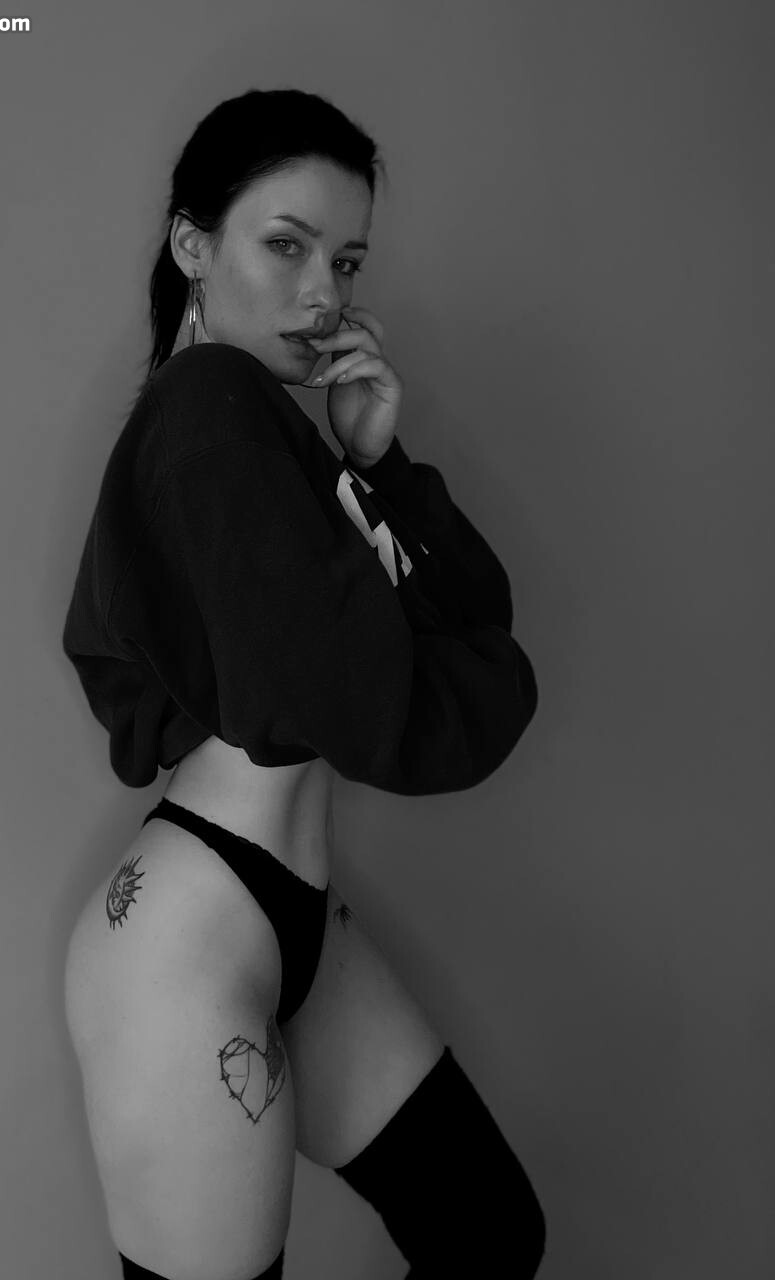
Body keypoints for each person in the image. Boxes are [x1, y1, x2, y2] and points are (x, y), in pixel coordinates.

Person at [61, 87, 546, 1280]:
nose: (323, 293)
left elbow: (465, 613)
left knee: (485, 1232)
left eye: (345, 259)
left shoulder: (279, 442)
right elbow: (384, 709)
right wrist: (483, 673)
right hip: (193, 935)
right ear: (192, 245)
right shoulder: (207, 409)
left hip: (287, 912)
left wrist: (376, 460)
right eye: (284, 245)